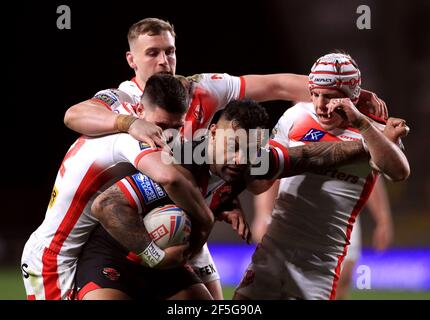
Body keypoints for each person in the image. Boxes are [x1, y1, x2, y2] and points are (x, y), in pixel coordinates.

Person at [62, 18, 388, 299]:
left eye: (169, 51)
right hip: (118, 243)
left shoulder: (206, 96)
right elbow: (106, 195)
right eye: (152, 53)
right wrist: (130, 124)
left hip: (178, 243)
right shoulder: (170, 148)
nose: (163, 60)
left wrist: (362, 118)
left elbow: (303, 149)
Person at [76, 96, 405, 300]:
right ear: (215, 133)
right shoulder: (178, 161)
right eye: (232, 147)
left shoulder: (251, 162)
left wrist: (370, 140)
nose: (237, 160)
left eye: (247, 152)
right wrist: (153, 256)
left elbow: (311, 155)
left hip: (171, 264)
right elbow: (106, 204)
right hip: (115, 258)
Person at [21, 74, 215, 300]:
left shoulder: (116, 118)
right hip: (55, 258)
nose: (169, 136)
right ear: (140, 111)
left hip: (83, 249)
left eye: (177, 127)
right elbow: (170, 179)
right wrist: (206, 220)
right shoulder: (132, 139)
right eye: (162, 126)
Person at [233, 52, 410, 300]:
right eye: (314, 94)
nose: (319, 105)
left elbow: (399, 171)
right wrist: (247, 167)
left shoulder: (375, 133)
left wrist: (361, 123)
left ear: (352, 97)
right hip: (275, 249)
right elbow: (263, 182)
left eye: (329, 97)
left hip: (321, 263)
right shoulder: (296, 116)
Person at [336, 177, 394, 299]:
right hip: (306, 205)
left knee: (343, 278)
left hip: (346, 209)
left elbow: (371, 174)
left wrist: (383, 220)